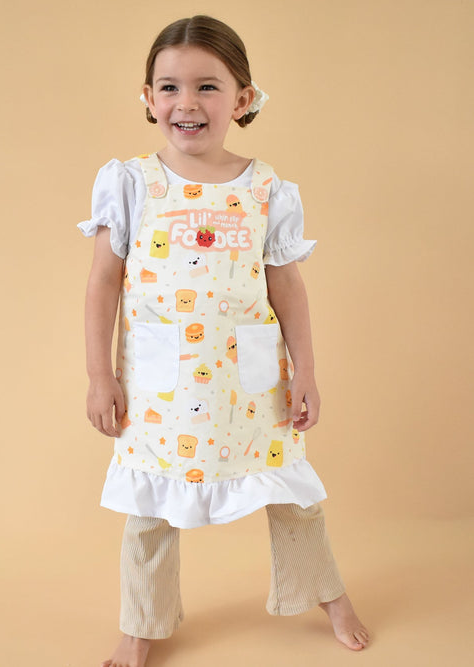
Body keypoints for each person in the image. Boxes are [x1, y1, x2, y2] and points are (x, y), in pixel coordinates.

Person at [78, 15, 369, 667]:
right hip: (160, 383)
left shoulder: (265, 188)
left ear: (242, 98)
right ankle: (141, 625)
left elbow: (287, 286)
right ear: (148, 97)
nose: (187, 103)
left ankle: (327, 594)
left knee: (292, 495)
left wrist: (305, 370)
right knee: (149, 508)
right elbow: (102, 284)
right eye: (169, 87)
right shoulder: (130, 184)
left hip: (252, 380)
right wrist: (100, 376)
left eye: (207, 86)